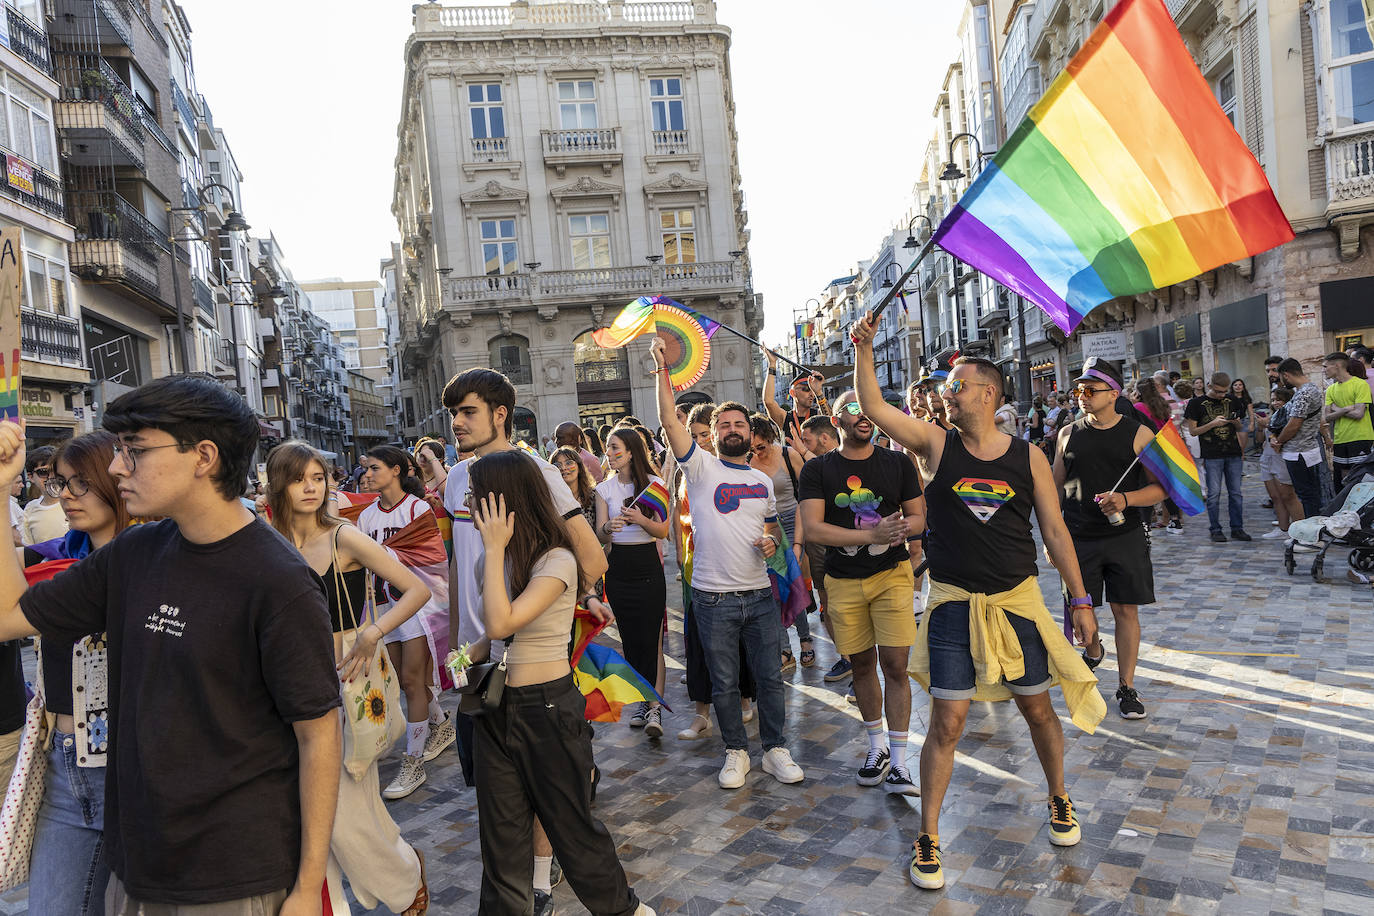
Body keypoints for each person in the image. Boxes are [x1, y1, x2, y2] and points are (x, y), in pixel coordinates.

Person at [0, 375, 342, 914]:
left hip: (233, 876)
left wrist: (306, 888)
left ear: (203, 456)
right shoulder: (136, 550)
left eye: (133, 451)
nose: (115, 468)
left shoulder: (278, 579)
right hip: (136, 866)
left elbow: (319, 736)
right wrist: (0, 491)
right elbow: (9, 616)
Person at [851, 315, 1103, 892]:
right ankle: (930, 836)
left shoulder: (1029, 456)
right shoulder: (936, 444)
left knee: (1038, 709)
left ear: (988, 394)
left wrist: (1081, 600)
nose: (946, 393)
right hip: (953, 606)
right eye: (945, 387)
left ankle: (1059, 798)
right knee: (947, 721)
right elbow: (874, 408)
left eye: (956, 385)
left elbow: (1056, 534)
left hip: (1017, 604)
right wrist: (864, 350)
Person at [442, 367, 609, 905]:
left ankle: (541, 876)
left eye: (468, 412)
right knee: (499, 796)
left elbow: (589, 556)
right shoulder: (454, 478)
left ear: (499, 414)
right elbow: (456, 562)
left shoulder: (535, 472)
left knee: (544, 793)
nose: (457, 423)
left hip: (528, 650)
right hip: (481, 655)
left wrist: (559, 603)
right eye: (453, 413)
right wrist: (455, 637)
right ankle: (521, 882)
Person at [465, 453, 653, 916]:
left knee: (572, 829)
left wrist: (491, 550)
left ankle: (622, 910)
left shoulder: (558, 560)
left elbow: (501, 616)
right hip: (497, 709)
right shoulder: (501, 560)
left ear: (501, 501)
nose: (467, 502)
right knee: (501, 837)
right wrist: (465, 656)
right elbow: (495, 631)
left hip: (546, 709)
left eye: (476, 493)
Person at [266, 440, 430, 916]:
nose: (312, 488)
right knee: (310, 808)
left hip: (343, 676)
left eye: (319, 478)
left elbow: (416, 588)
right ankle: (334, 903)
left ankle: (402, 880)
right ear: (280, 484)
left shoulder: (344, 537)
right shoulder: (264, 538)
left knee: (340, 806)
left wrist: (372, 633)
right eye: (300, 479)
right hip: (283, 678)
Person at [651, 337, 804, 790]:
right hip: (712, 597)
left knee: (768, 680)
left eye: (740, 423)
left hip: (758, 595)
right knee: (722, 684)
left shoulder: (761, 479)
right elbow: (667, 420)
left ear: (750, 434)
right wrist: (662, 370)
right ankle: (736, 753)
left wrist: (773, 544)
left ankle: (775, 750)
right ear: (714, 434)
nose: (734, 429)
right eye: (726, 424)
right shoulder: (698, 469)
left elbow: (773, 529)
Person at [21, 431, 131, 914]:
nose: (64, 494)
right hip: (65, 766)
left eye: (80, 483)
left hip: (137, 768)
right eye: (61, 482)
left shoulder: (159, 560)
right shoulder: (56, 559)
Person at [798, 390, 925, 794]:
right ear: (836, 421)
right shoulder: (817, 469)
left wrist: (900, 529)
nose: (861, 415)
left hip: (891, 573)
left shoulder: (897, 462)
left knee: (896, 666)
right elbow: (814, 528)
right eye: (850, 409)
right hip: (843, 578)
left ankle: (902, 762)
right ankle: (876, 748)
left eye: (866, 408)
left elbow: (920, 517)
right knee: (863, 666)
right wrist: (869, 532)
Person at [1053, 360, 1165, 720]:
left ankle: (1127, 686)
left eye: (1090, 390)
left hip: (1124, 535)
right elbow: (1054, 488)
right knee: (1081, 609)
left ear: (1113, 394)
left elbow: (1160, 488)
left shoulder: (1139, 434)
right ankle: (1095, 647)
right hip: (1077, 537)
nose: (1082, 396)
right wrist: (1049, 537)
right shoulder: (1067, 433)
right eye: (1078, 390)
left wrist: (1127, 499)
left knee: (1125, 610)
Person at [358, 445, 452, 800]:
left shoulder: (417, 508)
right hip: (384, 606)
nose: (367, 474)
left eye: (374, 468)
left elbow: (433, 555)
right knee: (403, 681)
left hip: (418, 607)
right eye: (366, 469)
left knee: (413, 681)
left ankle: (412, 763)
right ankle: (441, 725)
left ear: (397, 470)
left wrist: (386, 555)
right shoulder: (366, 518)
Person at [672, 403, 756, 740]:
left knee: (738, 637)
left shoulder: (739, 469)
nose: (701, 441)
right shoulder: (688, 470)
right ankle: (701, 713)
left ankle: (746, 699)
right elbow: (680, 515)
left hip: (737, 567)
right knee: (699, 638)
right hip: (698, 565)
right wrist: (680, 554)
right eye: (694, 436)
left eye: (706, 434)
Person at [595, 426, 669, 737]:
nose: (610, 454)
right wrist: (609, 527)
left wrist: (641, 520)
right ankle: (642, 699)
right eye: (608, 449)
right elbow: (599, 534)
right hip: (618, 568)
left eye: (615, 448)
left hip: (647, 565)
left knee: (652, 638)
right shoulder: (604, 490)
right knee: (630, 639)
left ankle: (655, 707)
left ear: (631, 451)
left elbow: (663, 532)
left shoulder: (654, 485)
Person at [748, 414, 812, 670]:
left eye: (760, 447)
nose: (756, 452)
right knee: (775, 591)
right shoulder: (748, 463)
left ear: (769, 438)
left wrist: (797, 543)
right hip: (768, 528)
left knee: (795, 585)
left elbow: (805, 496)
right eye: (751, 449)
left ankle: (806, 640)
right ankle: (785, 649)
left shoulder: (788, 455)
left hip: (795, 522)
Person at [1186, 372, 1251, 543]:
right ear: (1209, 386)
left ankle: (1237, 528)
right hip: (1212, 454)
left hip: (1233, 453)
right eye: (1218, 391)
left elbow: (1239, 428)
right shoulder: (1196, 403)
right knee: (1214, 494)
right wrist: (1212, 424)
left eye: (1224, 392)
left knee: (1236, 493)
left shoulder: (1233, 401)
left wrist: (1235, 422)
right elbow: (1193, 431)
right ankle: (1215, 529)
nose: (1222, 395)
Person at [1274, 358, 1327, 519]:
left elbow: (1294, 424)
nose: (1281, 382)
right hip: (1305, 450)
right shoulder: (1308, 389)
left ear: (1286, 375)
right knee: (1309, 494)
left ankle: (1311, 535)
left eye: (1281, 378)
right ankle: (1311, 533)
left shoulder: (1304, 393)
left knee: (1307, 495)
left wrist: (1279, 441)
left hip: (1300, 452)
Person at [1133, 379, 1183, 533]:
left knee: (1146, 486)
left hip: (1147, 449)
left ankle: (1146, 524)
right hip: (1163, 448)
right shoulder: (1162, 404)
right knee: (1164, 485)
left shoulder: (1138, 406)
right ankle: (1175, 521)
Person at [1322, 351, 1374, 490]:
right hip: (1340, 439)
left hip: (1360, 437)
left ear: (1337, 365)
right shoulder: (1331, 389)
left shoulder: (1360, 384)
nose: (1324, 370)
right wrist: (1345, 409)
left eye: (1326, 367)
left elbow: (1359, 414)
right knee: (1344, 481)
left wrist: (1336, 409)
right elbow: (1326, 417)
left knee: (1361, 480)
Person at [1260, 387, 1304, 539]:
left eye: (1278, 399)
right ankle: (1283, 528)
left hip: (1282, 457)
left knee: (1288, 495)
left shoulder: (1290, 416)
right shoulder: (1272, 416)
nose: (1275, 403)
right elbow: (1262, 440)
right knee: (1275, 496)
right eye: (1273, 400)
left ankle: (1300, 531)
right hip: (1267, 456)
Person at [762, 347, 825, 445]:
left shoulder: (818, 414)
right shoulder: (784, 418)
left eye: (812, 390)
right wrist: (772, 365)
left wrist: (819, 392)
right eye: (805, 389)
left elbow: (830, 420)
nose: (811, 394)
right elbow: (768, 402)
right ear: (792, 393)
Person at [21, 446, 69, 545]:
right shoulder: (30, 509)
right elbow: (29, 547)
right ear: (31, 477)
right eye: (43, 472)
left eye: (55, 470)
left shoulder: (74, 501)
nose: (51, 476)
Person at [551, 445, 597, 528]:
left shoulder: (594, 496)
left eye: (569, 463)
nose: (563, 468)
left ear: (579, 467)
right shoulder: (550, 499)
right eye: (558, 465)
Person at [1230, 379, 1256, 454]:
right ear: (1232, 387)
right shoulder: (1228, 398)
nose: (1238, 386)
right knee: (1235, 446)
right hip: (1231, 423)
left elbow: (1250, 412)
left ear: (1243, 387)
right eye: (1235, 385)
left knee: (1242, 447)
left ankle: (1241, 459)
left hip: (1243, 422)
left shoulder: (1246, 398)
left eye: (1240, 385)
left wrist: (1251, 424)